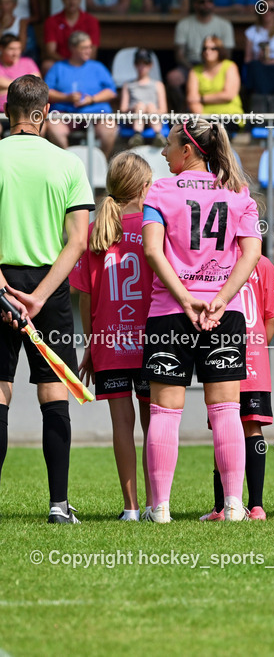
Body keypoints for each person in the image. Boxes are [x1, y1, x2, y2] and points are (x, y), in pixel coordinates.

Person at [139, 117, 262, 524]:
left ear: (187, 149)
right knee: (226, 410)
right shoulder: (237, 191)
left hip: (170, 313)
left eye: (168, 144)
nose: (162, 152)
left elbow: (154, 253)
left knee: (164, 412)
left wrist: (186, 298)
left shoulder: (159, 189)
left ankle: (159, 510)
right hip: (222, 315)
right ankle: (233, 507)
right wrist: (221, 299)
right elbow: (251, 254)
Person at [0, 75, 93, 524]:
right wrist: (37, 297)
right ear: (42, 115)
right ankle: (58, 505)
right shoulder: (69, 164)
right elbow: (77, 241)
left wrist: (3, 289)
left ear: (7, 111)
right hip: (48, 288)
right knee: (53, 393)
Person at [71, 152, 155, 522]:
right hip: (152, 341)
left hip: (109, 342)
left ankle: (131, 508)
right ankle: (158, 503)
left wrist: (92, 344)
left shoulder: (94, 232)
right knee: (155, 421)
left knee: (121, 425)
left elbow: (86, 300)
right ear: (142, 188)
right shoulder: (154, 227)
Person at [201, 254, 274, 521]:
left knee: (222, 427)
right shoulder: (261, 262)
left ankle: (220, 507)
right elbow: (271, 317)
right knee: (252, 426)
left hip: (221, 354)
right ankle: (256, 506)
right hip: (254, 361)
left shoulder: (212, 259)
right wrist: (257, 346)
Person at [44, 31, 118, 158]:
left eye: (90, 47)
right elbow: (46, 92)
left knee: (109, 130)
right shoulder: (59, 67)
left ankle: (101, 163)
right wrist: (66, 98)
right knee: (54, 127)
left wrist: (92, 99)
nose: (89, 50)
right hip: (65, 114)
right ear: (73, 48)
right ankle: (68, 162)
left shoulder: (98, 67)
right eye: (84, 48)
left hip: (97, 113)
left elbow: (111, 92)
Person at [168, 0, 236, 109]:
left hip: (217, 64)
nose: (206, 4)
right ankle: (183, 112)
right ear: (195, 4)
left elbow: (228, 55)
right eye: (202, 1)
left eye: (210, 1)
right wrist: (195, 71)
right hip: (190, 64)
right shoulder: (184, 24)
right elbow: (179, 55)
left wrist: (212, 68)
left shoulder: (224, 25)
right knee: (173, 77)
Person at [42, 0, 100, 75]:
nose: (72, 2)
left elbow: (92, 53)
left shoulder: (91, 21)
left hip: (84, 62)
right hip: (61, 62)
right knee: (47, 65)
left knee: (97, 67)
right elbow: (50, 51)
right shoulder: (52, 21)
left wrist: (77, 63)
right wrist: (69, 63)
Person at [120, 48, 168, 148]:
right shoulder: (128, 85)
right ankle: (137, 134)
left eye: (145, 63)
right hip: (133, 118)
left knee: (150, 106)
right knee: (141, 106)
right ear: (135, 65)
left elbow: (163, 110)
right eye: (139, 63)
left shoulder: (158, 85)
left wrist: (149, 110)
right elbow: (123, 109)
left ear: (150, 65)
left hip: (153, 117)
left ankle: (158, 135)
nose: (142, 67)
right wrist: (136, 108)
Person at [187, 35, 243, 117]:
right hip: (204, 117)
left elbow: (229, 95)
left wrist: (201, 98)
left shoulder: (230, 66)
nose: (208, 51)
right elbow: (192, 99)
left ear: (220, 50)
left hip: (230, 115)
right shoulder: (195, 71)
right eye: (205, 48)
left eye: (213, 48)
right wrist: (203, 119)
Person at [0, 33, 39, 110]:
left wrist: (4, 90)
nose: (16, 53)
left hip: (26, 110)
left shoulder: (28, 62)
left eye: (18, 48)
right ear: (1, 48)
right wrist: (25, 86)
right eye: (11, 49)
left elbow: (36, 85)